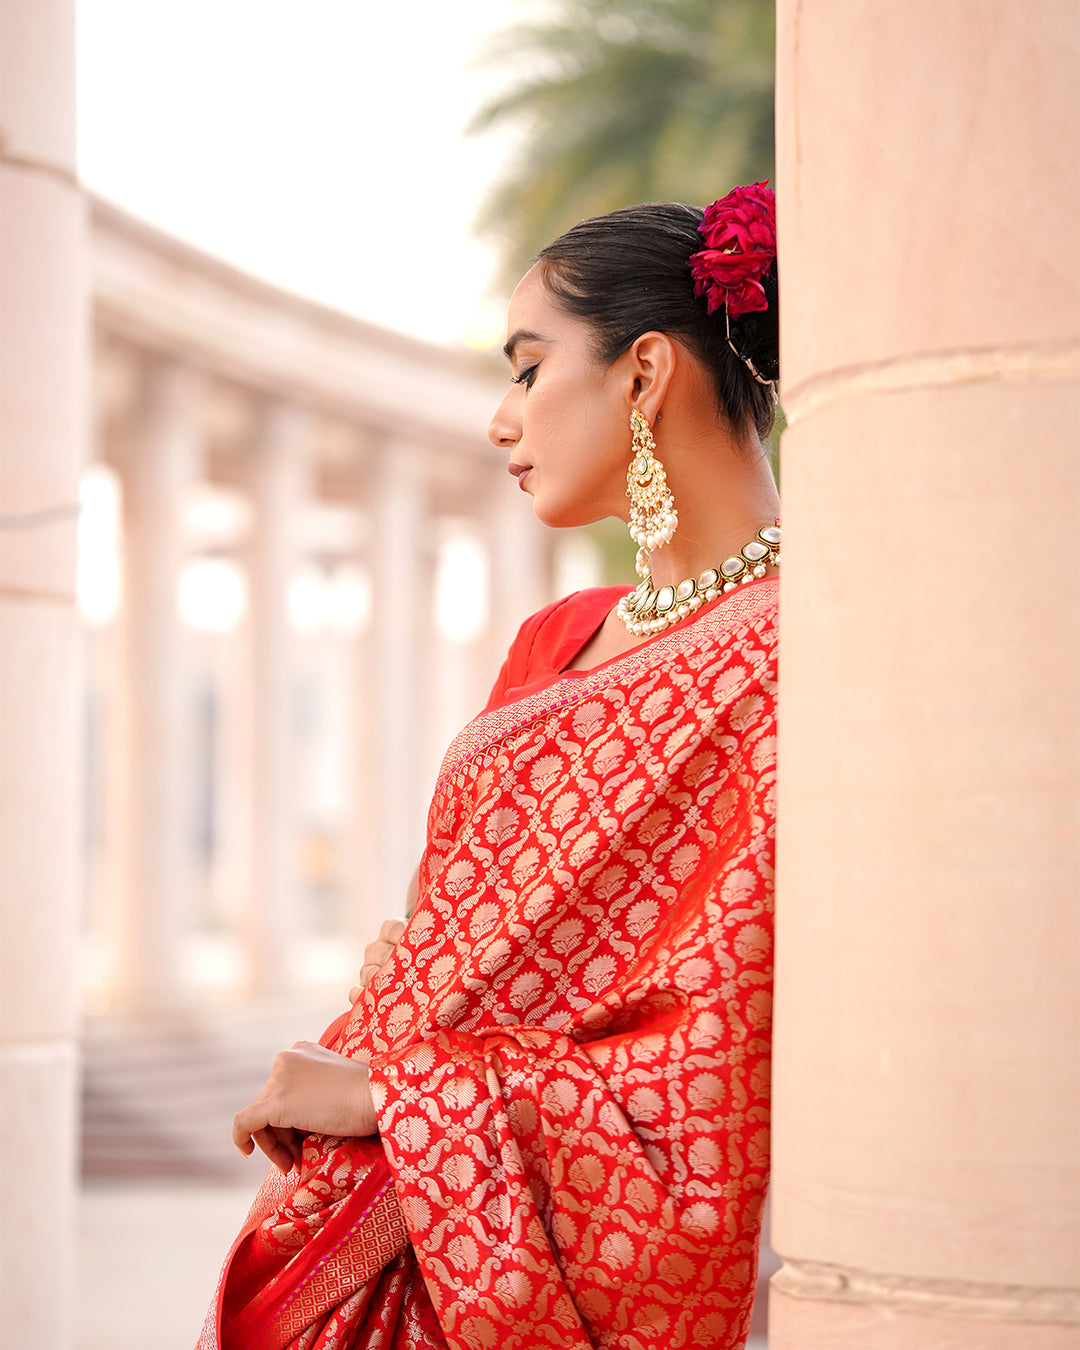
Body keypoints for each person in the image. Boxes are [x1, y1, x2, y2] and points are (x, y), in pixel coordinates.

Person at [198, 181, 781, 1350]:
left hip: (491, 1247)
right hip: (357, 1219)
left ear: (646, 373)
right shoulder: (555, 641)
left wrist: (393, 1099)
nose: (500, 419)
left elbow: (719, 1066)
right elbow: (441, 938)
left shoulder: (800, 655)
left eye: (526, 368)